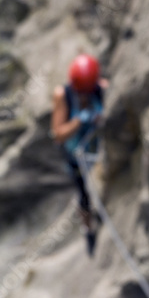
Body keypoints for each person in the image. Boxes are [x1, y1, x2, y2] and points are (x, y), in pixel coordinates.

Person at [50, 54, 108, 255]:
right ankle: (88, 230)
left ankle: (103, 210)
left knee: (101, 182)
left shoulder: (100, 89)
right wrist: (79, 121)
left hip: (97, 148)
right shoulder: (63, 95)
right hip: (76, 155)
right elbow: (57, 134)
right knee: (83, 195)